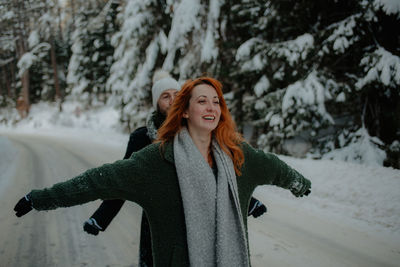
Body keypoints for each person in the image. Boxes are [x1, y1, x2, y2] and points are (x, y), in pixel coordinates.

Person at [14, 76, 311, 267]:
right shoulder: (154, 161)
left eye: (216, 101)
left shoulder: (237, 154)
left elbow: (274, 167)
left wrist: (300, 183)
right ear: (184, 111)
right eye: (202, 100)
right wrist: (39, 198)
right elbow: (98, 181)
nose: (211, 107)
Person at [82, 71, 267, 267]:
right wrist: (100, 218)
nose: (171, 101)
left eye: (176, 95)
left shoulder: (195, 133)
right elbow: (123, 179)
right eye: (165, 96)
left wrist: (248, 202)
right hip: (157, 222)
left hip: (195, 218)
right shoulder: (142, 138)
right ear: (156, 103)